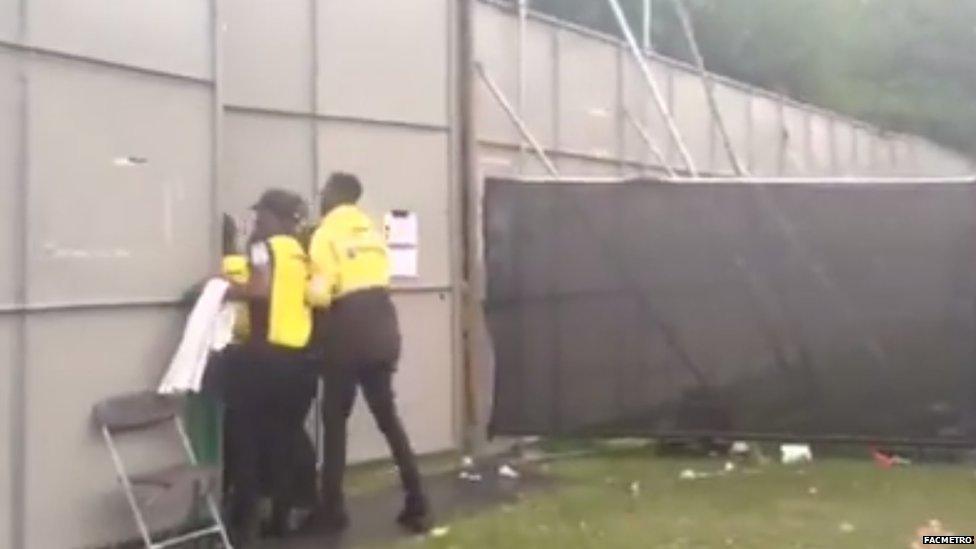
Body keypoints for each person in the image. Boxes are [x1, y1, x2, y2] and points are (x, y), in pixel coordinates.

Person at [307, 172, 432, 533]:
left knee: (334, 423)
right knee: (388, 420)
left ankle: (332, 510)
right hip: (383, 329)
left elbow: (319, 293)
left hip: (347, 334)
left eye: (325, 192)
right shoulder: (374, 233)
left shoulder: (326, 234)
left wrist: (303, 287)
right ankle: (417, 501)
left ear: (334, 196)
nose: (322, 197)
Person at [221, 189, 318, 545]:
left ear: (276, 218)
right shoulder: (302, 252)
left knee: (246, 440)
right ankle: (282, 519)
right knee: (284, 439)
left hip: (264, 357)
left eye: (262, 214)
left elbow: (259, 291)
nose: (257, 221)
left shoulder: (264, 247)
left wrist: (222, 289)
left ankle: (242, 526)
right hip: (300, 361)